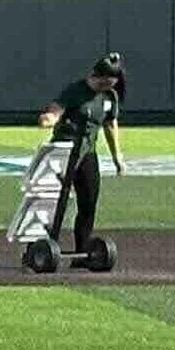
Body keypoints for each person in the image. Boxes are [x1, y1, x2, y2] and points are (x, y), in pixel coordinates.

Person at [38, 54, 130, 267]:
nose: (104, 86)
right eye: (102, 81)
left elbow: (109, 126)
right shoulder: (76, 90)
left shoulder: (109, 97)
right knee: (56, 202)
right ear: (95, 76)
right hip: (64, 152)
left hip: (87, 153)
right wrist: (50, 118)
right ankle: (46, 246)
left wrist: (118, 158)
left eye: (110, 83)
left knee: (88, 202)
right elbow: (57, 108)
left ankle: (82, 251)